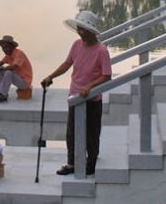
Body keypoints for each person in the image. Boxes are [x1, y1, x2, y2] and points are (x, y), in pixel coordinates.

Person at [41, 10, 112, 176]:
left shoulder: (102, 51)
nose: (81, 33)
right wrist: (51, 76)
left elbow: (106, 75)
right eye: (79, 29)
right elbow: (67, 64)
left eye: (84, 30)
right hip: (75, 97)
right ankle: (71, 163)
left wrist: (91, 86)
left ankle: (91, 162)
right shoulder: (76, 45)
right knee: (71, 132)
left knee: (91, 133)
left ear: (92, 31)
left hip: (92, 98)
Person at [0, 35, 33, 103]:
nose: (4, 49)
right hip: (18, 78)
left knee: (8, 72)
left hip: (24, 82)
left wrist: (2, 68)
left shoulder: (19, 53)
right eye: (3, 48)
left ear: (12, 46)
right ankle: (1, 92)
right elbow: (2, 62)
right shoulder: (9, 54)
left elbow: (15, 66)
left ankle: (4, 95)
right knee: (1, 72)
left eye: (6, 47)